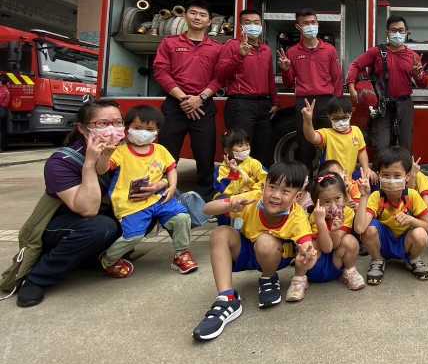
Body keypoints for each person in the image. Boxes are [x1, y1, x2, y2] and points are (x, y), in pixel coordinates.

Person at [7, 99, 124, 307]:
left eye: (117, 122)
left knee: (147, 211)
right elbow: (87, 209)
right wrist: (89, 163)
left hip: (100, 217)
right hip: (58, 227)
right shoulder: (61, 162)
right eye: (102, 124)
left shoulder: (123, 154)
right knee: (100, 227)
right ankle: (37, 278)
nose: (112, 129)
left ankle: (90, 258)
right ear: (82, 128)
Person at [192, 161, 317, 342]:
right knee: (220, 234)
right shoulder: (253, 198)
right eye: (272, 187)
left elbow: (307, 245)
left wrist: (307, 255)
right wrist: (229, 206)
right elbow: (206, 209)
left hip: (274, 254)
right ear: (264, 186)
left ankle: (268, 277)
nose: (275, 195)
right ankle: (226, 298)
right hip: (247, 250)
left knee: (265, 242)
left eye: (285, 191)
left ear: (297, 197)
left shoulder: (297, 217)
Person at [95, 105, 197, 277]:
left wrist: (171, 186)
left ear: (157, 131)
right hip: (132, 205)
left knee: (182, 218)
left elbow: (171, 168)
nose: (143, 132)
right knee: (133, 237)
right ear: (127, 128)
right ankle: (108, 259)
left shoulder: (160, 150)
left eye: (149, 129)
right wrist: (105, 155)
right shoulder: (120, 152)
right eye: (137, 128)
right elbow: (101, 170)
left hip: (159, 200)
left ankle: (182, 254)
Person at [153, 0, 222, 199]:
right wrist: (184, 98)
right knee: (167, 151)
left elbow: (221, 77)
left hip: (204, 105)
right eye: (193, 13)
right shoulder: (170, 43)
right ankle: (162, 193)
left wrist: (200, 97)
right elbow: (161, 72)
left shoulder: (217, 48)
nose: (197, 17)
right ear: (185, 16)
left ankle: (205, 196)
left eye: (202, 15)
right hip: (175, 105)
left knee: (205, 152)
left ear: (209, 21)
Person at [346, 16, 428, 151]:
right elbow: (356, 65)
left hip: (404, 104)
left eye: (401, 30)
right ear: (387, 32)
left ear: (406, 33)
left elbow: (423, 83)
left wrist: (418, 74)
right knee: (382, 145)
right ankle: (381, 171)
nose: (397, 34)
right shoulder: (376, 52)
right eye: (393, 30)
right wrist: (351, 86)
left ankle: (403, 171)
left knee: (406, 144)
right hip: (382, 106)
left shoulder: (414, 56)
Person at [354, 146, 428, 285]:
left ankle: (413, 259)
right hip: (383, 243)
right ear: (379, 175)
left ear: (407, 176)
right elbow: (360, 228)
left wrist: (412, 220)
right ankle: (377, 260)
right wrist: (364, 196)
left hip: (405, 242)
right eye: (386, 175)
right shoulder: (376, 196)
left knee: (420, 234)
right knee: (369, 229)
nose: (391, 180)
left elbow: (427, 227)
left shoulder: (412, 196)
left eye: (397, 176)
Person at [278, 8, 343, 172]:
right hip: (304, 103)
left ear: (318, 24)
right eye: (305, 23)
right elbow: (287, 84)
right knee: (304, 145)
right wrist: (285, 69)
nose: (310, 26)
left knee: (331, 144)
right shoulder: (292, 52)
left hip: (326, 101)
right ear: (298, 27)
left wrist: (336, 103)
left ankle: (331, 181)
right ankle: (306, 183)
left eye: (313, 22)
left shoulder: (329, 50)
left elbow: (337, 78)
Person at [217, 9, 279, 166]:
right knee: (240, 150)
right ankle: (237, 185)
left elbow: (270, 77)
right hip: (240, 105)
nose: (253, 26)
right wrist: (240, 55)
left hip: (263, 105)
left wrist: (275, 101)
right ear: (241, 26)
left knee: (263, 148)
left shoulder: (266, 49)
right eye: (248, 22)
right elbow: (221, 74)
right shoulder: (231, 46)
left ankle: (259, 184)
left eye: (256, 23)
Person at [305, 172, 366, 292]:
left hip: (336, 266)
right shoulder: (315, 216)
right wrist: (321, 223)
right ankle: (299, 278)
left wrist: (335, 230)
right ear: (316, 203)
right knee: (309, 245)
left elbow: (336, 244)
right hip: (315, 268)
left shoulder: (347, 212)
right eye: (327, 202)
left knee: (350, 241)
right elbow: (326, 248)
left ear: (345, 196)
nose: (333, 206)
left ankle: (349, 272)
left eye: (337, 198)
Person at [301, 96, 375, 182]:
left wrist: (366, 169)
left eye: (344, 117)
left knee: (373, 179)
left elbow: (361, 151)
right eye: (336, 118)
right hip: (331, 180)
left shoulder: (356, 131)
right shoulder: (327, 134)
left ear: (351, 114)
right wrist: (307, 120)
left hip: (349, 179)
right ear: (329, 117)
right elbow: (311, 137)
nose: (341, 121)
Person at [213, 129, 267, 226]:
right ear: (227, 150)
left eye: (247, 144)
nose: (245, 148)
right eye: (240, 145)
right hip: (233, 197)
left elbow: (265, 179)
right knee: (221, 200)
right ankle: (225, 228)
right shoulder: (222, 169)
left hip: (251, 195)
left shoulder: (254, 163)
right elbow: (224, 189)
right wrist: (234, 173)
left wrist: (252, 189)